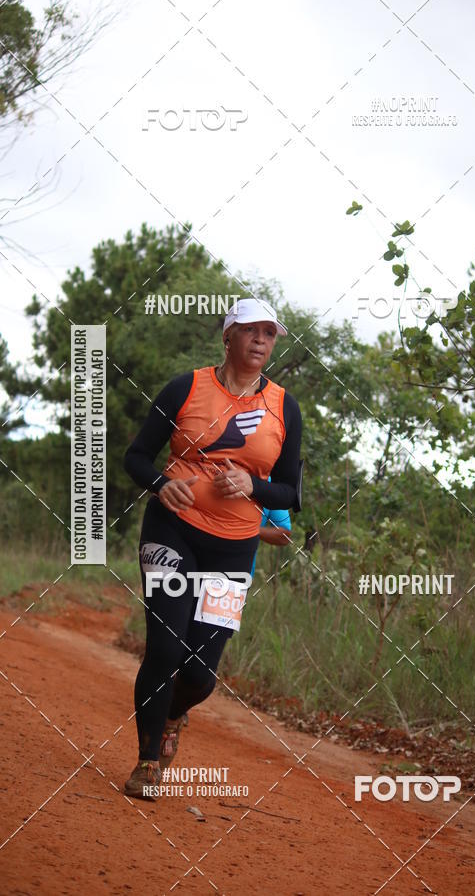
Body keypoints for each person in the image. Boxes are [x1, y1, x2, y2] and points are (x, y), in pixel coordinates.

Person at [122, 297, 302, 799]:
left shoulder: (285, 408)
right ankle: (147, 761)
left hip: (234, 547)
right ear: (229, 336)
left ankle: (176, 713)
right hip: (172, 529)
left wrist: (253, 486)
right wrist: (160, 484)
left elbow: (290, 492)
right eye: (252, 331)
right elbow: (135, 457)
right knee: (164, 648)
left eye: (269, 334)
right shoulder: (187, 387)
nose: (261, 341)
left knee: (200, 676)